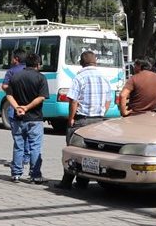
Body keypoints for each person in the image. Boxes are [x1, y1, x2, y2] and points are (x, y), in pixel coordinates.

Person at [58, 50, 113, 189]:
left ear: (81, 63)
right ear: (96, 62)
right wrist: (100, 113)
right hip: (99, 121)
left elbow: (73, 101)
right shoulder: (104, 77)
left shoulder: (79, 78)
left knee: (73, 151)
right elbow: (108, 101)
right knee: (92, 152)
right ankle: (83, 181)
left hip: (81, 120)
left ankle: (67, 182)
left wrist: (71, 118)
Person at [6, 52, 49, 183]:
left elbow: (8, 95)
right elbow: (41, 97)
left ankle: (16, 174)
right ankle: (35, 175)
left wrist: (18, 107)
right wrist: (27, 107)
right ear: (38, 64)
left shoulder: (15, 76)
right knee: (35, 146)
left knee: (19, 145)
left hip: (18, 118)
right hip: (34, 118)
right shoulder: (41, 78)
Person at [2, 49, 30, 170]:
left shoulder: (12, 71)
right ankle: (27, 158)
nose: (12, 60)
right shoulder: (31, 70)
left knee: (18, 137)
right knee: (29, 135)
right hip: (30, 108)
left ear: (16, 59)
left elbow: (4, 86)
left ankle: (17, 165)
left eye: (13, 58)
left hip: (15, 107)